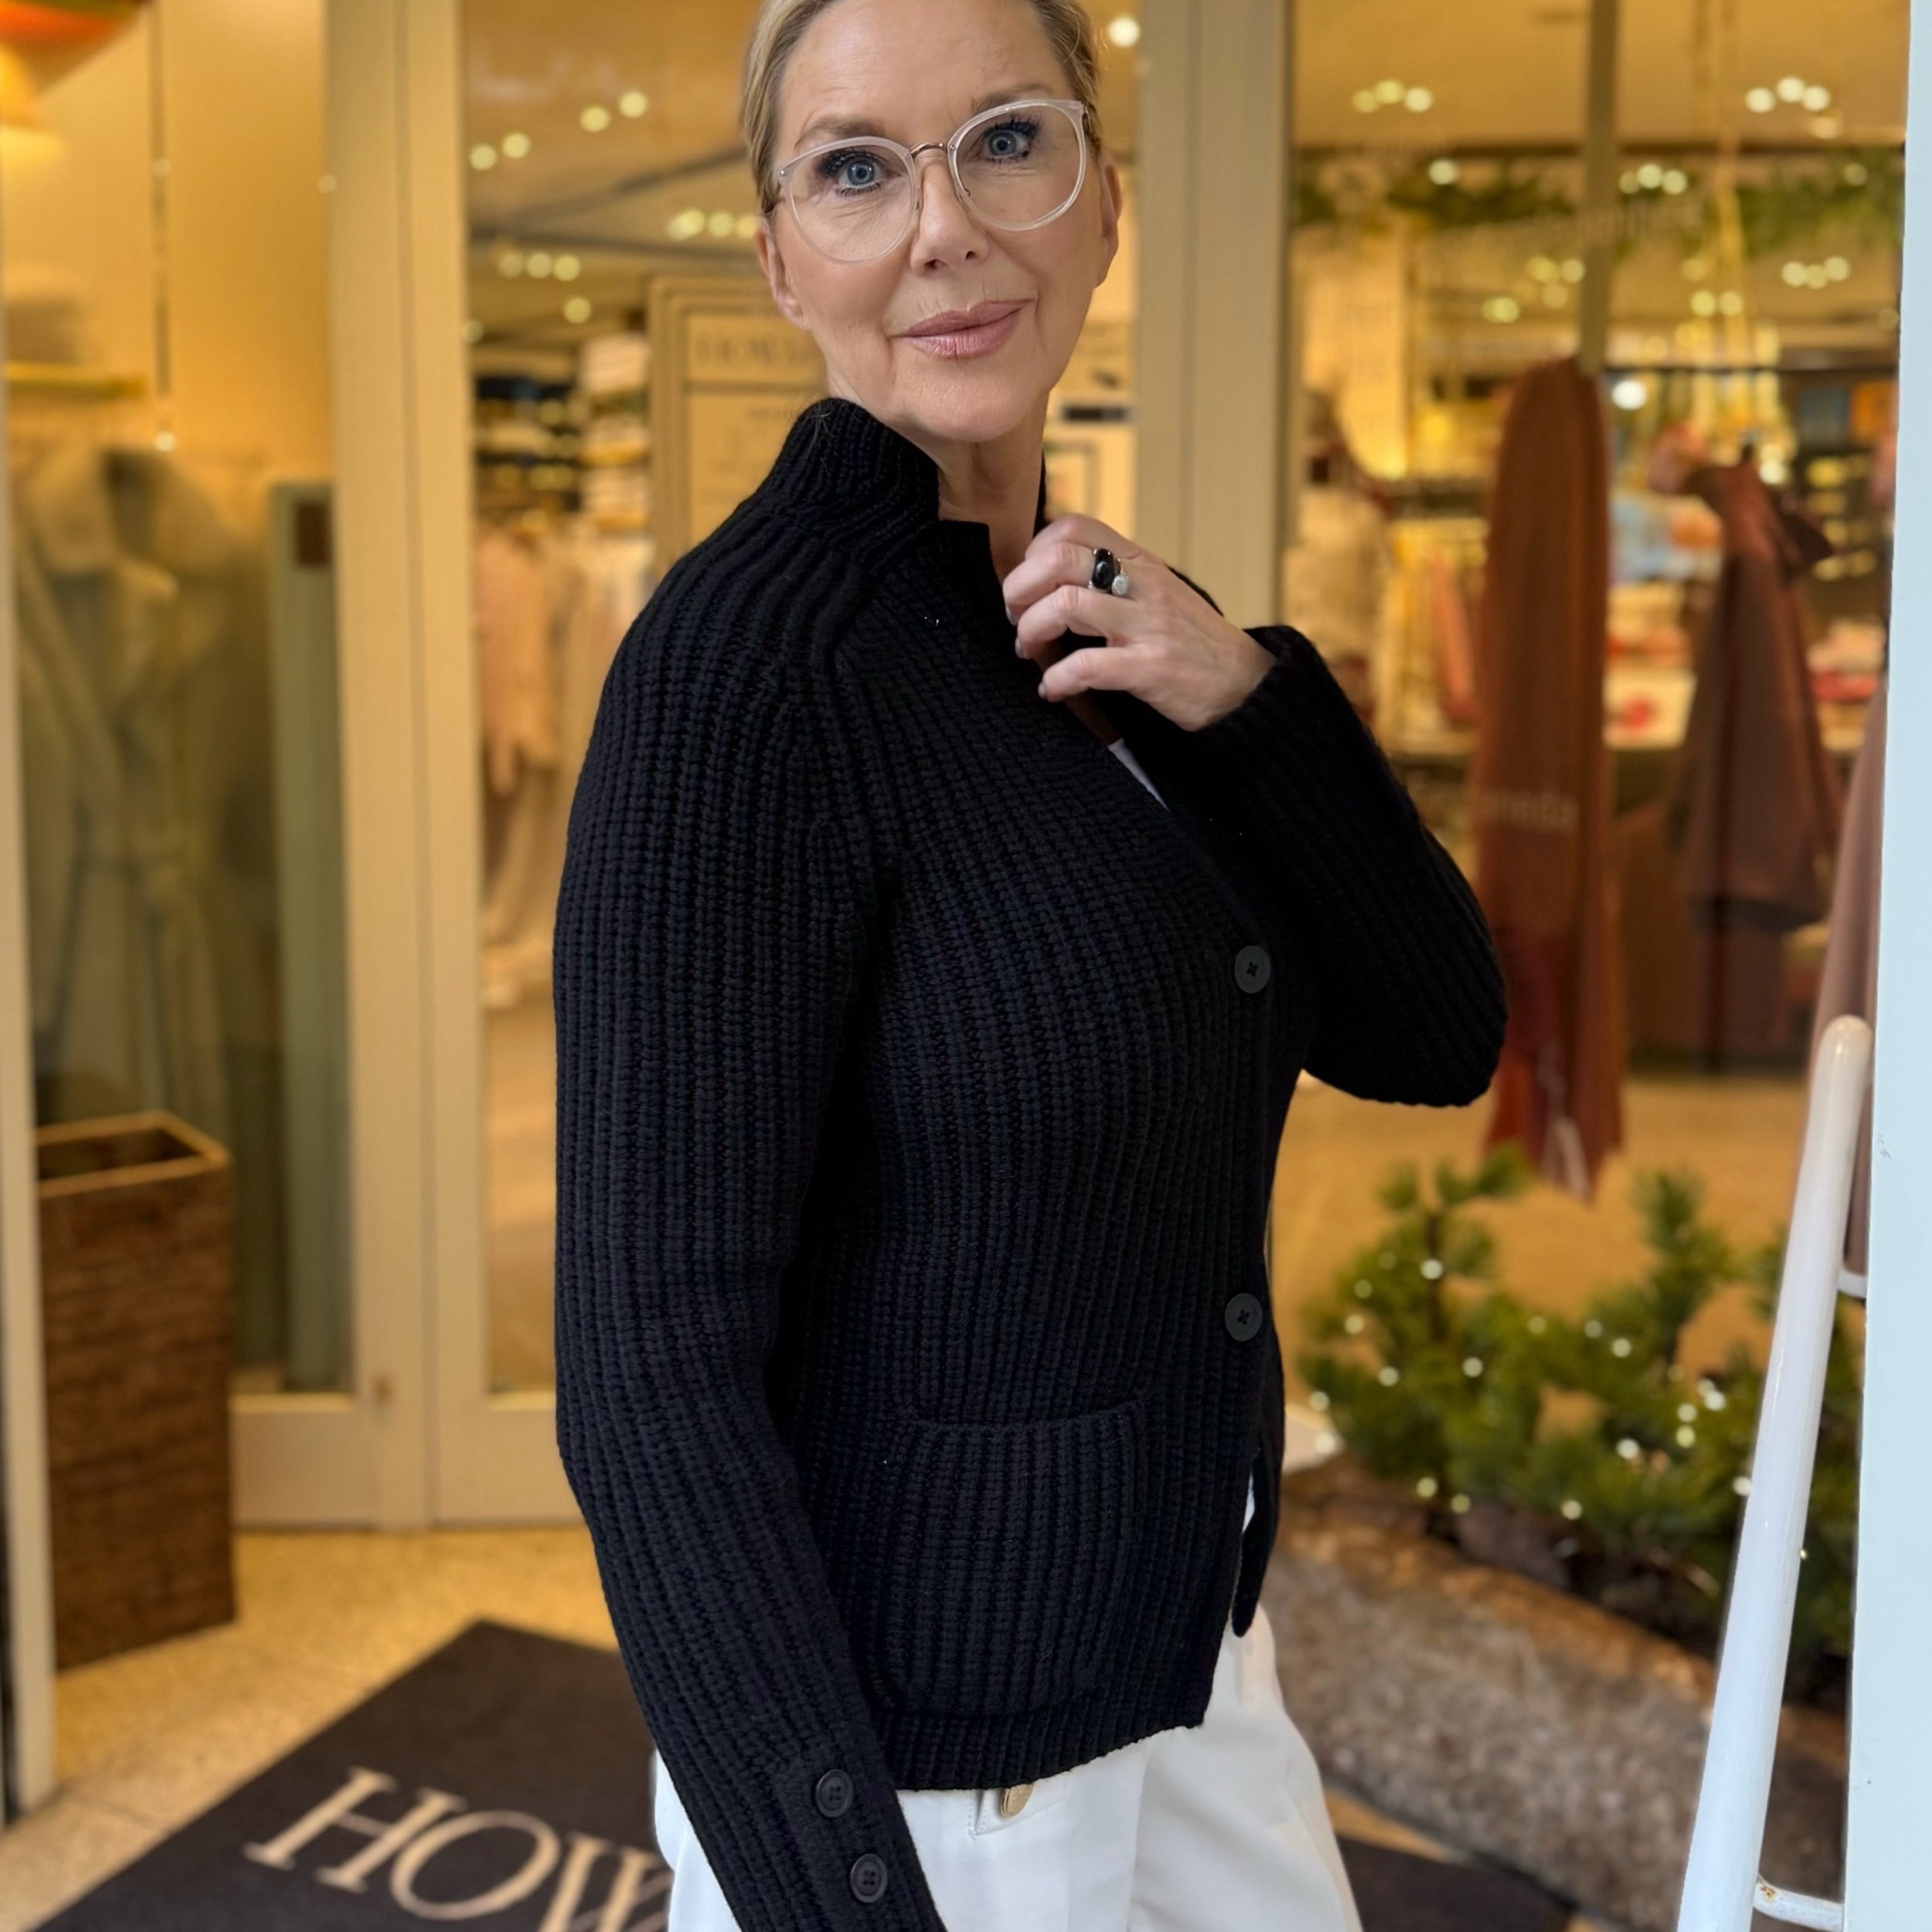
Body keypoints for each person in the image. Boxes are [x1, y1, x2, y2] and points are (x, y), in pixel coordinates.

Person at [550, 1, 1509, 1926]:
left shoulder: (1099, 629)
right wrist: (836, 1886)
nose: (944, 228)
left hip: (1185, 1656)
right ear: (778, 258)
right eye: (854, 168)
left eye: (1005, 140)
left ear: (1101, 203)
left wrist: (1250, 701)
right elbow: (648, 1373)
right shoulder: (743, 672)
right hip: (930, 1771)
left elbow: (1434, 1029)